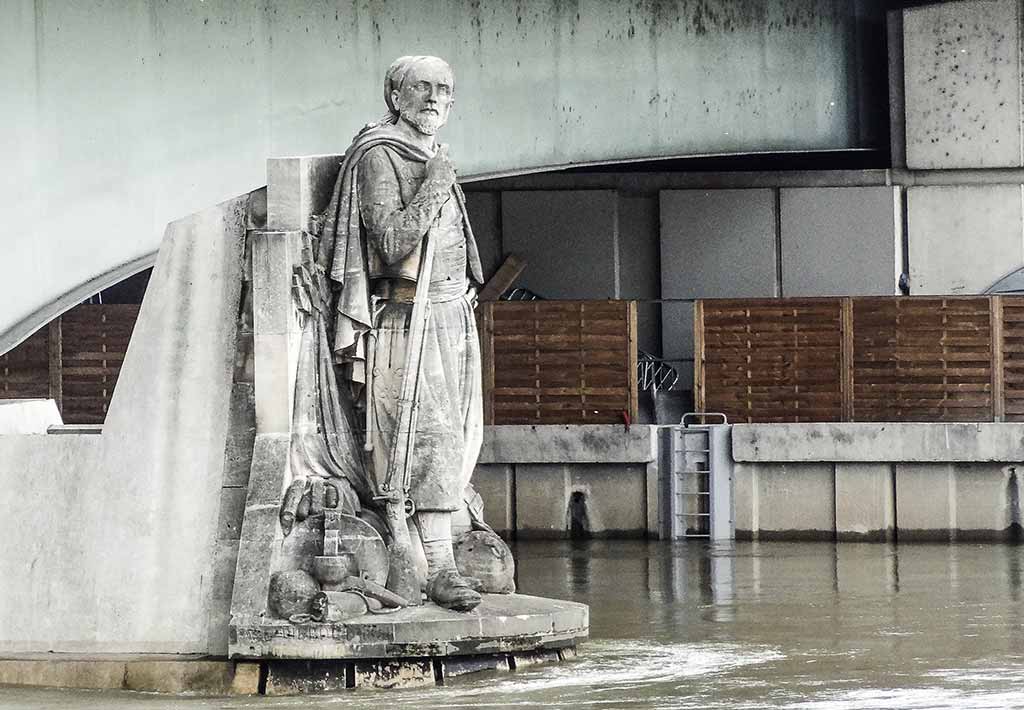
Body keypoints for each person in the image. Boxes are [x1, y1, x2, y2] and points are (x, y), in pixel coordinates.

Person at [311, 55, 486, 612]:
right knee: (426, 439)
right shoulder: (382, 155)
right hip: (409, 322)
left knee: (456, 436)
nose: (436, 98)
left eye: (445, 90)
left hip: (452, 315)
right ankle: (437, 566)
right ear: (396, 95)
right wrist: (435, 186)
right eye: (424, 88)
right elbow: (390, 242)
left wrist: (468, 285)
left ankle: (439, 550)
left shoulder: (433, 152)